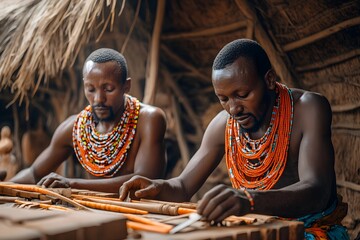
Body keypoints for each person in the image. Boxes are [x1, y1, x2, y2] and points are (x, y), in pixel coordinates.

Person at [119, 39, 349, 239]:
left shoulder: (308, 109)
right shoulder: (223, 125)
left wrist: (250, 201)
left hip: (310, 233)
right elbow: (182, 186)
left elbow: (317, 191)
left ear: (269, 80)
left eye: (242, 95)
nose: (233, 109)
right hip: (255, 231)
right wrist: (156, 186)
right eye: (223, 99)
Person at [9, 48, 167, 193]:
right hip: (96, 215)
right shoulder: (76, 128)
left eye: (108, 89)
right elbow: (33, 173)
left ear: (126, 86)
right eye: (91, 89)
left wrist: (73, 184)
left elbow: (144, 181)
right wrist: (6, 185)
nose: (98, 98)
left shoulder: (149, 120)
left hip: (147, 217)